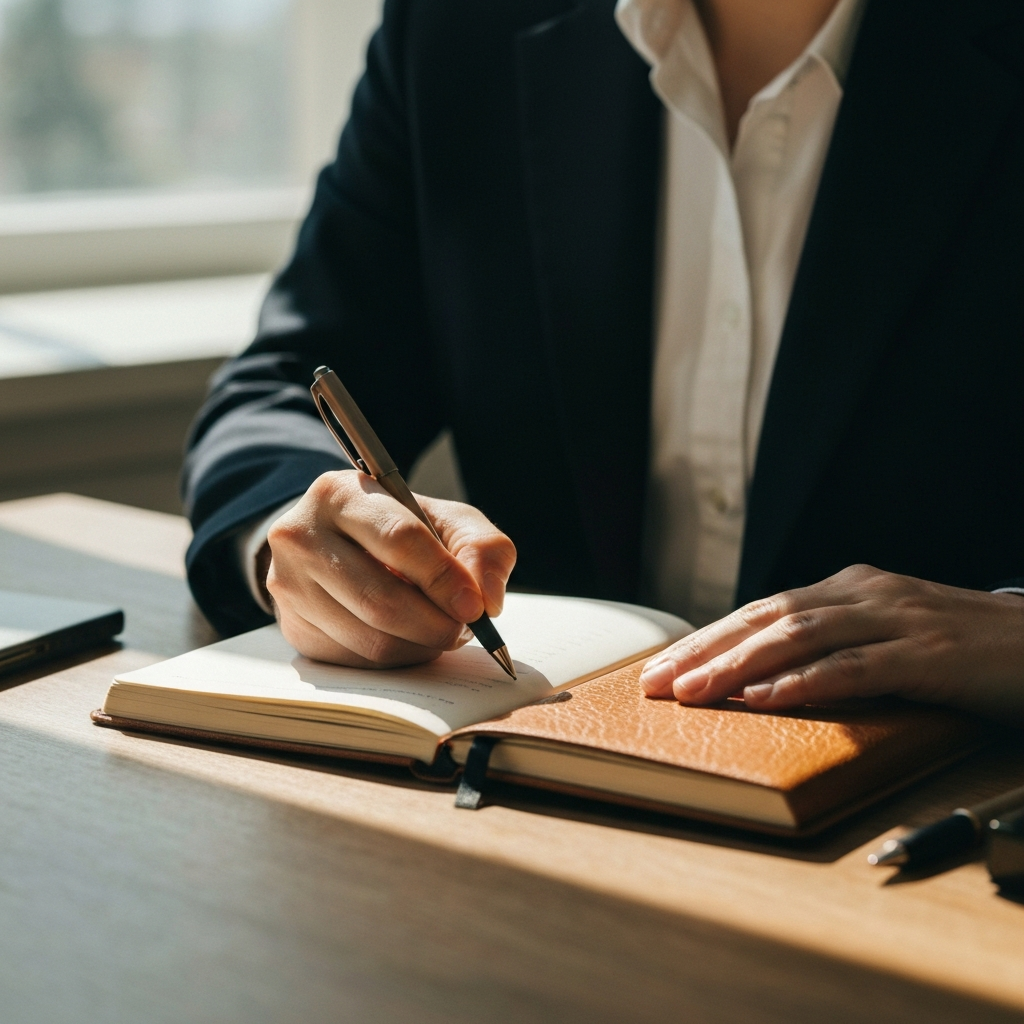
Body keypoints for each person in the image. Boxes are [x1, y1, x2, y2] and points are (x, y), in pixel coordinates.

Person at [182, 0, 1024, 723]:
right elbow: (282, 386)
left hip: (939, 803)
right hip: (549, 785)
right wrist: (298, 541)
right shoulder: (457, 26)